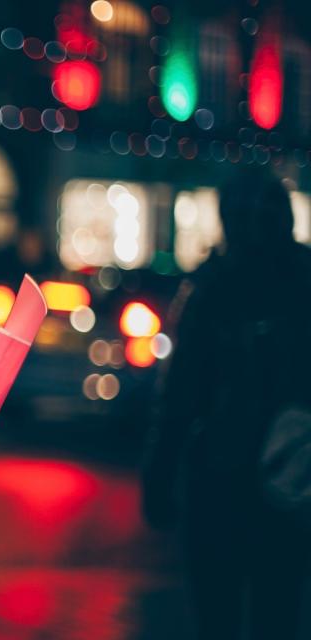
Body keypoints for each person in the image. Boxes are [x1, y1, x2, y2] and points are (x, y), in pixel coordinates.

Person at [142, 168, 311, 639]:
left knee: (221, 613)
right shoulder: (299, 282)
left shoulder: (210, 289)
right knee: (276, 610)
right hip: (284, 476)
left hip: (223, 474)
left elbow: (179, 395)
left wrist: (160, 474)